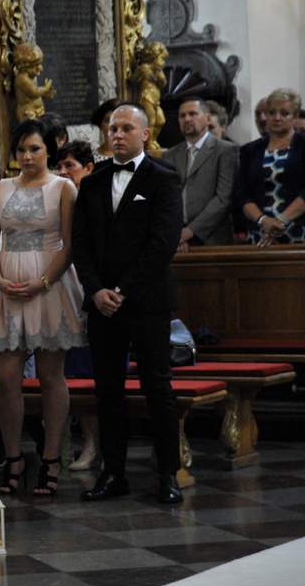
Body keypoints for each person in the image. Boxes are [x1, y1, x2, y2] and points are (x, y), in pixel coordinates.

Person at [71, 103, 184, 505]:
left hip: (147, 300)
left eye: (126, 128)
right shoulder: (93, 181)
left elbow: (163, 242)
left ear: (145, 134)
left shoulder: (163, 177)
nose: (117, 134)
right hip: (102, 304)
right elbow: (80, 243)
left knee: (157, 387)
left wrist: (122, 290)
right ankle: (113, 473)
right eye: (112, 128)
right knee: (108, 391)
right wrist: (96, 290)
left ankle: (168, 474)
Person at [0, 119, 86, 496]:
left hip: (49, 285)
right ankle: (13, 457)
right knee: (6, 377)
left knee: (51, 376)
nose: (26, 156)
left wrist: (44, 281)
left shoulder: (63, 188)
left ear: (48, 151)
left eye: (34, 148)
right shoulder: (0, 188)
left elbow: (70, 244)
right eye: (21, 149)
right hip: (7, 286)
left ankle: (51, 459)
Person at [54, 141, 100, 471]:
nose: (62, 172)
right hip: (67, 286)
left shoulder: (96, 199)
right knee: (76, 370)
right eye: (59, 166)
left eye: (69, 165)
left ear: (88, 168)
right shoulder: (57, 198)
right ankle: (91, 443)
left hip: (95, 286)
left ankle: (107, 444)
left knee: (96, 370)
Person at [161, 98, 239, 251]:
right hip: (178, 239)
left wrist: (190, 231)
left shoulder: (226, 150)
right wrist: (178, 232)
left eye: (192, 114)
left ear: (208, 118)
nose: (187, 119)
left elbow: (223, 199)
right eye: (182, 116)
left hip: (213, 238)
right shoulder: (169, 155)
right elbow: (167, 198)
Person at [235, 88, 305, 246]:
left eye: (284, 113)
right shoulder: (250, 150)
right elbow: (241, 193)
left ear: (295, 116)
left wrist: (281, 220)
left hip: (298, 231)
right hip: (260, 231)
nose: (277, 118)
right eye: (272, 112)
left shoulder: (302, 145)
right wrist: (263, 220)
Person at [90, 98, 123, 162]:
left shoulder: (135, 156)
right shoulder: (91, 158)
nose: (113, 125)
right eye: (108, 121)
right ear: (100, 124)